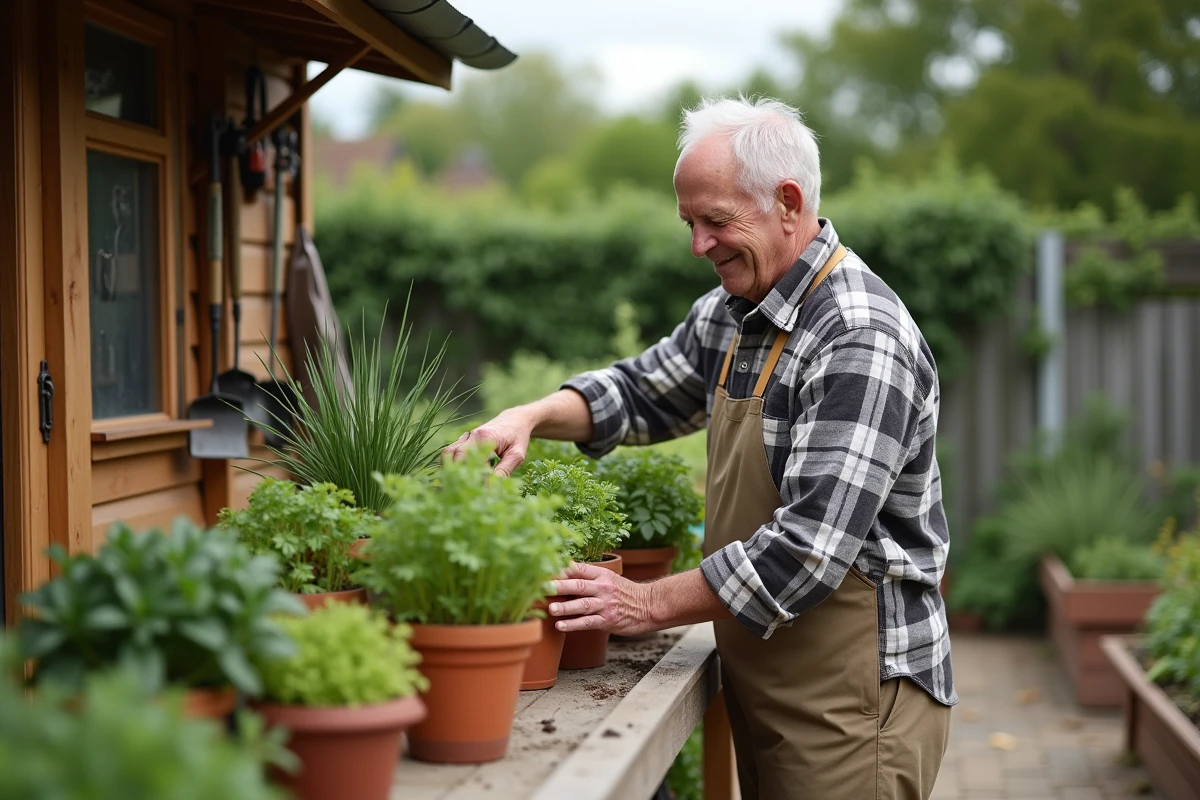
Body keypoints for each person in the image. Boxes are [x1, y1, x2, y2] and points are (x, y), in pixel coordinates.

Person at [445, 95, 955, 799]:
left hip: (852, 695)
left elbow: (807, 551)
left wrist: (645, 604)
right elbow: (642, 391)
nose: (699, 246)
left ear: (787, 201)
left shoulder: (857, 337)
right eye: (690, 223)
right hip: (772, 669)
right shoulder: (738, 311)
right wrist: (529, 416)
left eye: (716, 221)